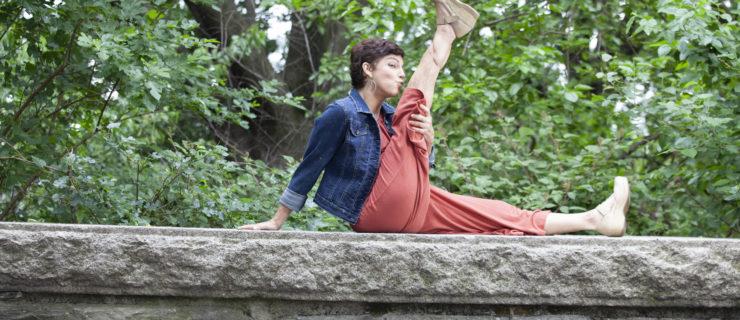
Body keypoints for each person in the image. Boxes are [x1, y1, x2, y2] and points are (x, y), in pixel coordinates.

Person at [239, 0, 630, 236]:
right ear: (368, 70)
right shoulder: (340, 114)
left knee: (497, 215)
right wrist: (277, 221)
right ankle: (445, 32)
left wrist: (427, 140)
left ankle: (596, 219)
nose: (398, 72)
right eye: (391, 65)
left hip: (408, 206)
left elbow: (422, 168)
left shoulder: (392, 119)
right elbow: (309, 168)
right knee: (413, 111)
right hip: (372, 211)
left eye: (402, 66)